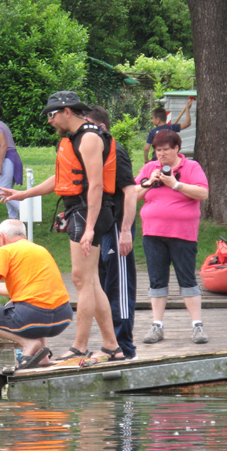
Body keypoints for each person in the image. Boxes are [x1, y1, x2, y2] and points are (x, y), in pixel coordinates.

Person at [0, 91, 124, 361]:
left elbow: (97, 185)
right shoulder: (74, 139)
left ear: (68, 111)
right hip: (80, 211)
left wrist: (89, 227)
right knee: (91, 281)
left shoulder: (89, 138)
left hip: (88, 213)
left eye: (52, 115)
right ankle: (112, 346)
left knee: (82, 280)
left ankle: (79, 346)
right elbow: (61, 178)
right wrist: (22, 194)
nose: (50, 121)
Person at [0, 219, 73, 369]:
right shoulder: (40, 250)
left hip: (32, 318)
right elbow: (24, 290)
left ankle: (27, 344)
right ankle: (43, 358)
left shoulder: (4, 251)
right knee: (35, 303)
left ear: (1, 237)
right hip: (62, 318)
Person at [136, 129, 209, 345]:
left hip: (182, 234)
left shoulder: (191, 167)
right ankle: (156, 326)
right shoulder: (150, 168)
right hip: (152, 233)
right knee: (156, 281)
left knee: (187, 279)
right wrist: (148, 182)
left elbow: (203, 193)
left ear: (176, 148)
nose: (161, 154)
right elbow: (132, 194)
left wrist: (174, 184)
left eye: (165, 150)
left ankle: (197, 326)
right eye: (158, 150)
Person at [85, 106, 137, 360]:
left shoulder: (116, 151)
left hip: (117, 226)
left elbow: (130, 191)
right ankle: (110, 344)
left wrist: (125, 230)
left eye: (87, 126)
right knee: (103, 287)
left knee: (119, 288)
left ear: (100, 128)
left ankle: (125, 348)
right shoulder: (92, 151)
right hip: (101, 227)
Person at [143, 98, 192, 163]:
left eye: (152, 118)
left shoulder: (152, 132)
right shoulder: (172, 127)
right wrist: (187, 109)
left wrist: (146, 160)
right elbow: (187, 123)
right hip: (171, 158)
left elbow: (146, 148)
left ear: (158, 120)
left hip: (156, 158)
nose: (152, 121)